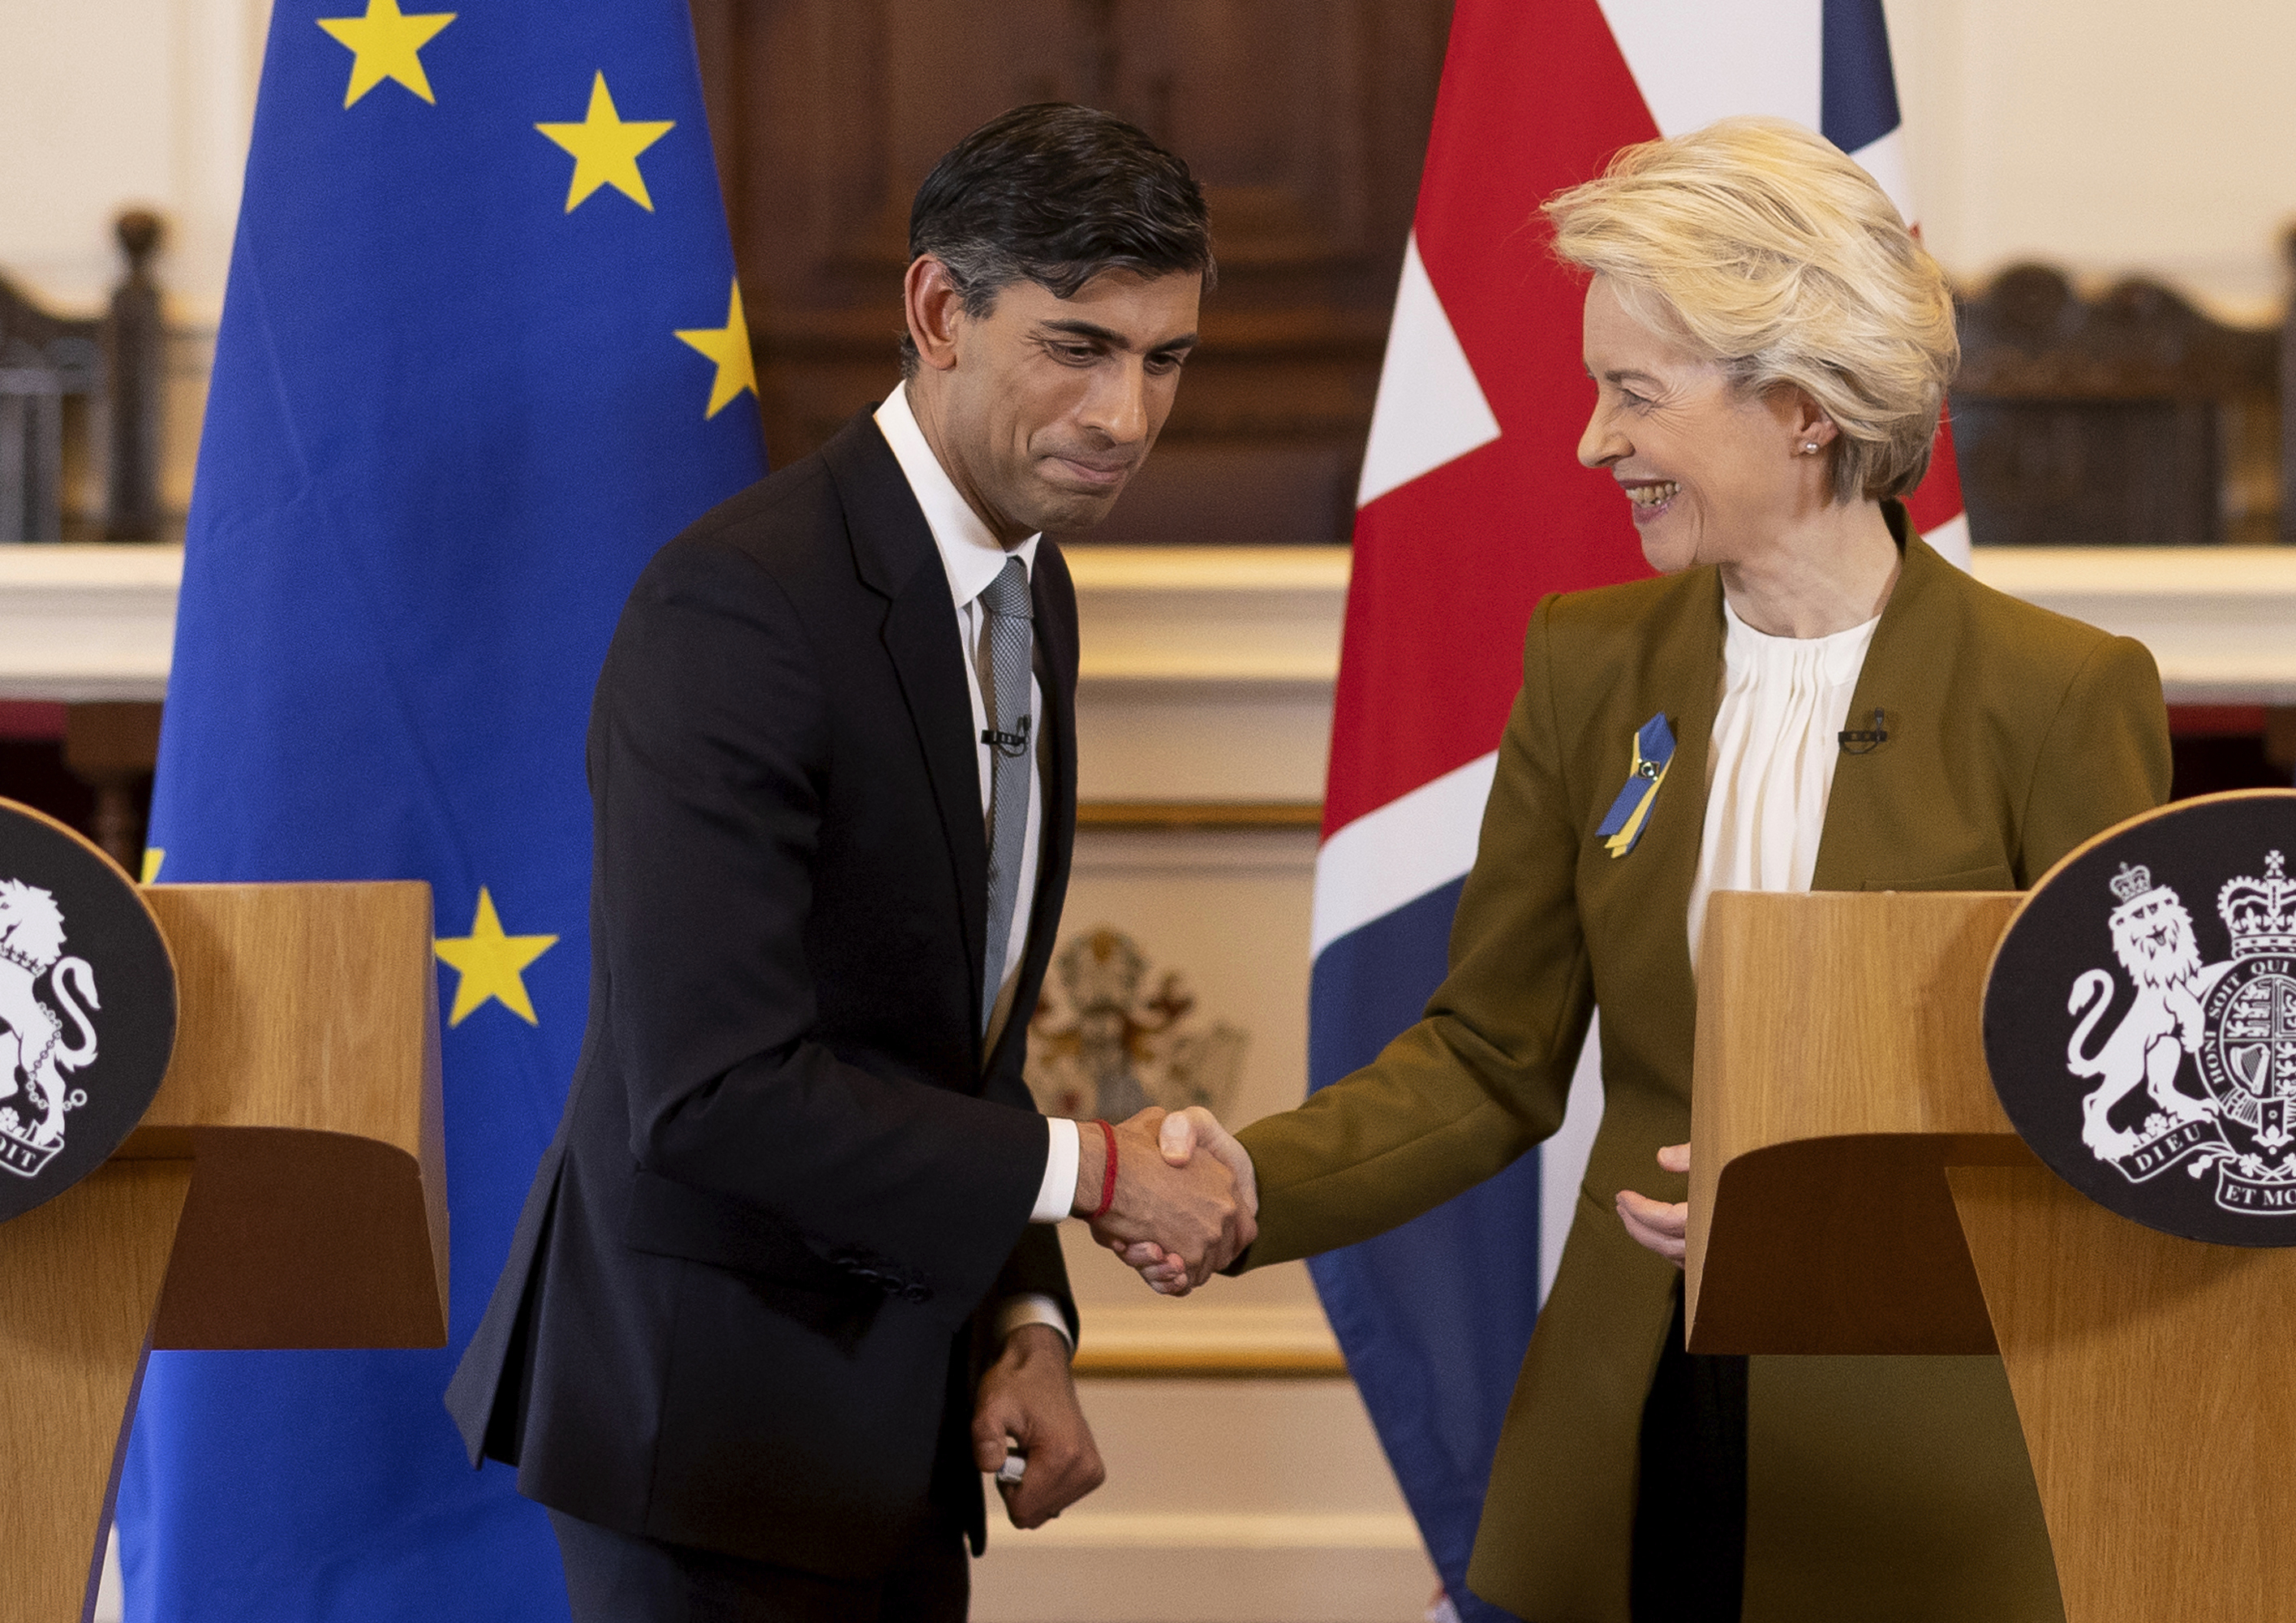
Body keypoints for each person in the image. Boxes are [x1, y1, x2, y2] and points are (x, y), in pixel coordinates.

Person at [1136, 117, 2171, 1621]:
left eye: (1634, 394)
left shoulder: (2059, 694)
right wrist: (1253, 1185)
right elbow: (1489, 1057)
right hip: (1639, 1424)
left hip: (1926, 1458)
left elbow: (2110, 1119)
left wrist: (1851, 1224)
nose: (1591, 441)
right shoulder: (1589, 663)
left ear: (1804, 407)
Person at [445, 103, 1255, 1622]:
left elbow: (956, 1038)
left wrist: (1026, 1318)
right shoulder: (738, 610)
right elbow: (712, 1090)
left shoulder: (1033, 585)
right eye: (1077, 346)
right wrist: (1098, 1176)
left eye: (1165, 360)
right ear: (939, 311)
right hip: (705, 1441)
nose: (1127, 416)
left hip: (894, 1417)